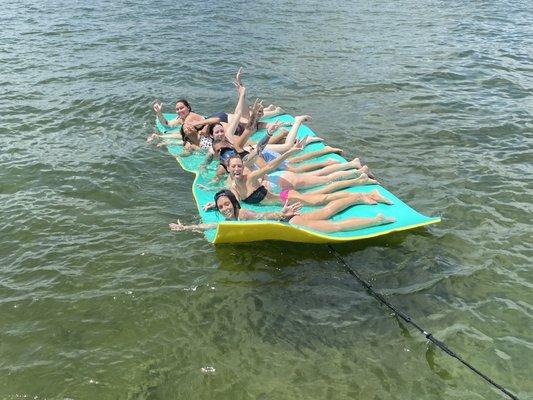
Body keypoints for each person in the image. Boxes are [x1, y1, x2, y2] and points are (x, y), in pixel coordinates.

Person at [169, 189, 395, 233]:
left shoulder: (244, 214)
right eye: (221, 207)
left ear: (235, 204)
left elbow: (263, 216)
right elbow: (214, 225)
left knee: (334, 225)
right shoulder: (230, 216)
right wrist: (187, 227)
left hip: (292, 222)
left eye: (227, 204)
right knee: (327, 213)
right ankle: (359, 197)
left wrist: (281, 215)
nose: (225, 209)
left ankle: (376, 218)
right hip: (290, 220)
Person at [224, 146, 378, 207]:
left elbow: (270, 167)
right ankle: (356, 176)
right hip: (280, 188)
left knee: (322, 189)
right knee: (321, 187)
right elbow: (233, 199)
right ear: (228, 169)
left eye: (239, 166)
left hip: (282, 189)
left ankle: (356, 176)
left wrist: (289, 152)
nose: (237, 168)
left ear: (243, 166)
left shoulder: (249, 177)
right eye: (233, 166)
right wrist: (217, 204)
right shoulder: (232, 184)